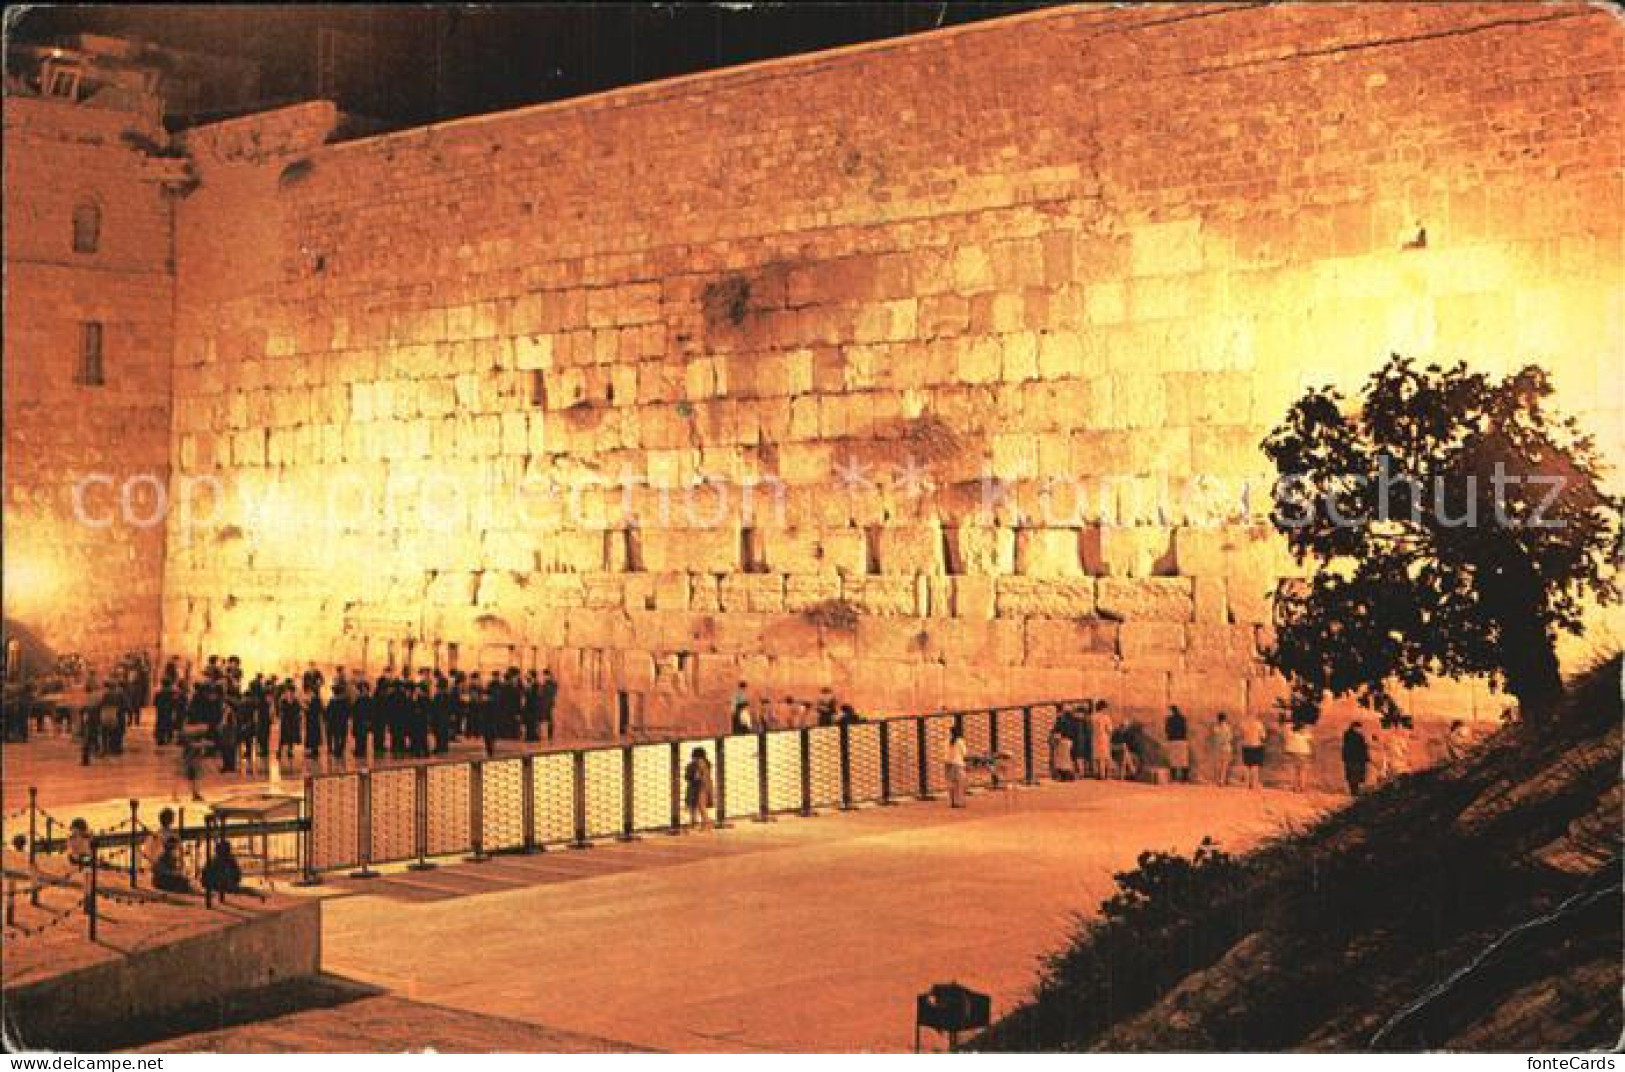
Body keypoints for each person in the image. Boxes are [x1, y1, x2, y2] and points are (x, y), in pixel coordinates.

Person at [684, 747, 714, 831]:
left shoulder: (701, 765)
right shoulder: (700, 765)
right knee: (695, 806)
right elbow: (689, 777)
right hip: (698, 787)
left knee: (700, 806)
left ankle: (705, 823)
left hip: (700, 787)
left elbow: (698, 777)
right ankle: (697, 823)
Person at [1239, 712, 1267, 790]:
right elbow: (1263, 736)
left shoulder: (1243, 724)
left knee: (1246, 765)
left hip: (1246, 746)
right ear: (1255, 716)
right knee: (1255, 765)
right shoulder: (1259, 724)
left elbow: (1240, 735)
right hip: (1256, 745)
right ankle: (1254, 783)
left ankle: (1247, 784)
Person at [1341, 721, 1370, 796]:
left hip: (1353, 758)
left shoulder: (1349, 736)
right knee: (1355, 774)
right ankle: (1355, 791)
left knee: (1354, 775)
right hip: (1355, 759)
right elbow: (1361, 748)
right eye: (1358, 728)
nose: (1360, 729)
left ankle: (1355, 790)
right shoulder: (1355, 736)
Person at [1164, 705, 1191, 783]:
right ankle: (1185, 779)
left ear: (1171, 711)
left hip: (1173, 740)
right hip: (1182, 741)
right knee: (1183, 760)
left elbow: (1167, 730)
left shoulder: (1169, 719)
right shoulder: (1183, 718)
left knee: (1173, 760)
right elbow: (1185, 730)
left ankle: (1174, 778)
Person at [1283, 722, 1314, 792]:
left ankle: (1295, 787)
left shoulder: (1289, 734)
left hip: (1291, 753)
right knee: (1302, 771)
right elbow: (1311, 741)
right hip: (1303, 754)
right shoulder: (1305, 735)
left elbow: (1286, 726)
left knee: (1293, 771)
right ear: (1302, 729)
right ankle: (1302, 787)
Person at [945, 724, 968, 808]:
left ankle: (952, 802)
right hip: (958, 763)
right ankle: (960, 802)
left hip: (948, 763)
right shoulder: (960, 741)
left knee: (951, 783)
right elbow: (964, 753)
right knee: (960, 784)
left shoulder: (947, 741)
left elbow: (946, 753)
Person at [1209, 712, 1236, 787]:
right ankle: (1222, 780)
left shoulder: (1215, 728)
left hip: (1218, 748)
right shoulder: (1228, 727)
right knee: (1224, 765)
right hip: (1226, 747)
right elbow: (1230, 738)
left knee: (1218, 765)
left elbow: (1214, 738)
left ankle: (1217, 780)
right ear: (1225, 719)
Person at [1049, 708, 1075, 780]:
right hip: (1069, 741)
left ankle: (1064, 776)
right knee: (1067, 759)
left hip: (1062, 741)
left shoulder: (1060, 721)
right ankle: (1068, 775)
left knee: (1061, 760)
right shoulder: (1071, 721)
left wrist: (1054, 740)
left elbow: (1057, 733)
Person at [1090, 701, 1114, 780]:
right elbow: (1109, 729)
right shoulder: (1105, 717)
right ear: (1103, 708)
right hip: (1103, 738)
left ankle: (1097, 773)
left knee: (1097, 756)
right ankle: (1103, 774)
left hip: (1094, 738)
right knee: (1104, 757)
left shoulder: (1093, 717)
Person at [538, 669, 558, 742]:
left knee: (549, 720)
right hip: (544, 704)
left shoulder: (551, 684)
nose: (545, 677)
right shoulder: (545, 684)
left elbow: (551, 693)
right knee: (543, 720)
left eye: (546, 675)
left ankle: (549, 736)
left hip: (548, 704)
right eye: (544, 676)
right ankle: (543, 735)